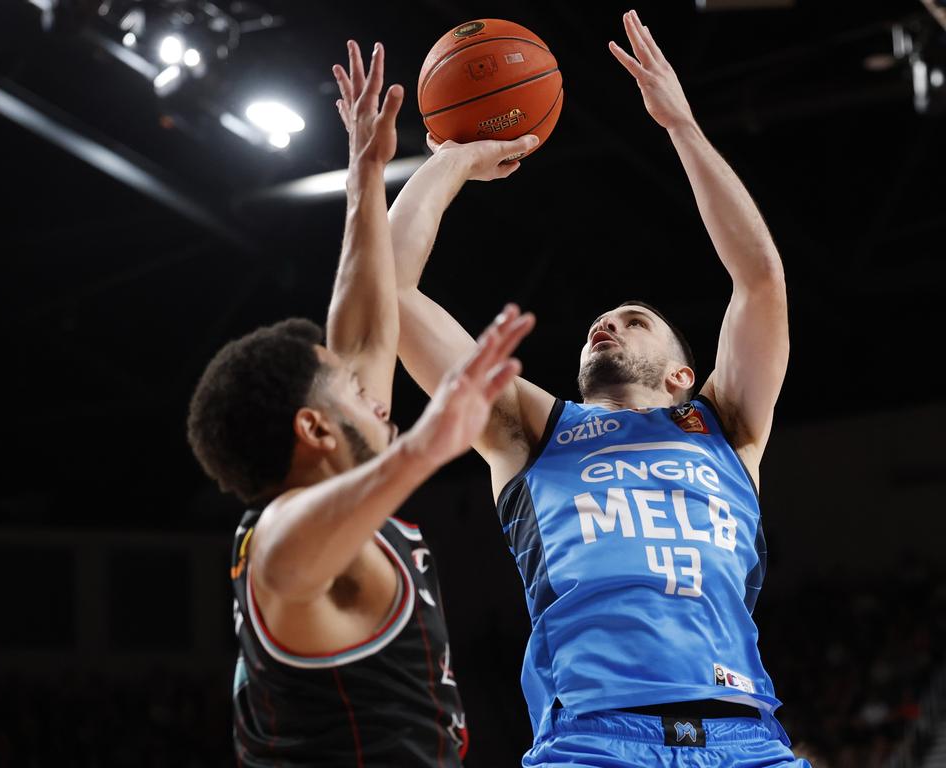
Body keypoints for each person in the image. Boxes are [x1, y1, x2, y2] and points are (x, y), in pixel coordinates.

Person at [390, 10, 809, 767]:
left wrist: (682, 126)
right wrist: (451, 160)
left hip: (748, 738)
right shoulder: (529, 429)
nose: (606, 325)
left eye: (634, 319)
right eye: (600, 322)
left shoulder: (727, 423)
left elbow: (761, 279)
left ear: (686, 373)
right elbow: (386, 292)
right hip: (593, 739)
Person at [186, 40, 534, 766]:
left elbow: (371, 323)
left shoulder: (339, 490)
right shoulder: (281, 544)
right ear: (313, 428)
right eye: (347, 386)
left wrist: (388, 169)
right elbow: (285, 560)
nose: (373, 392)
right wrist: (423, 450)